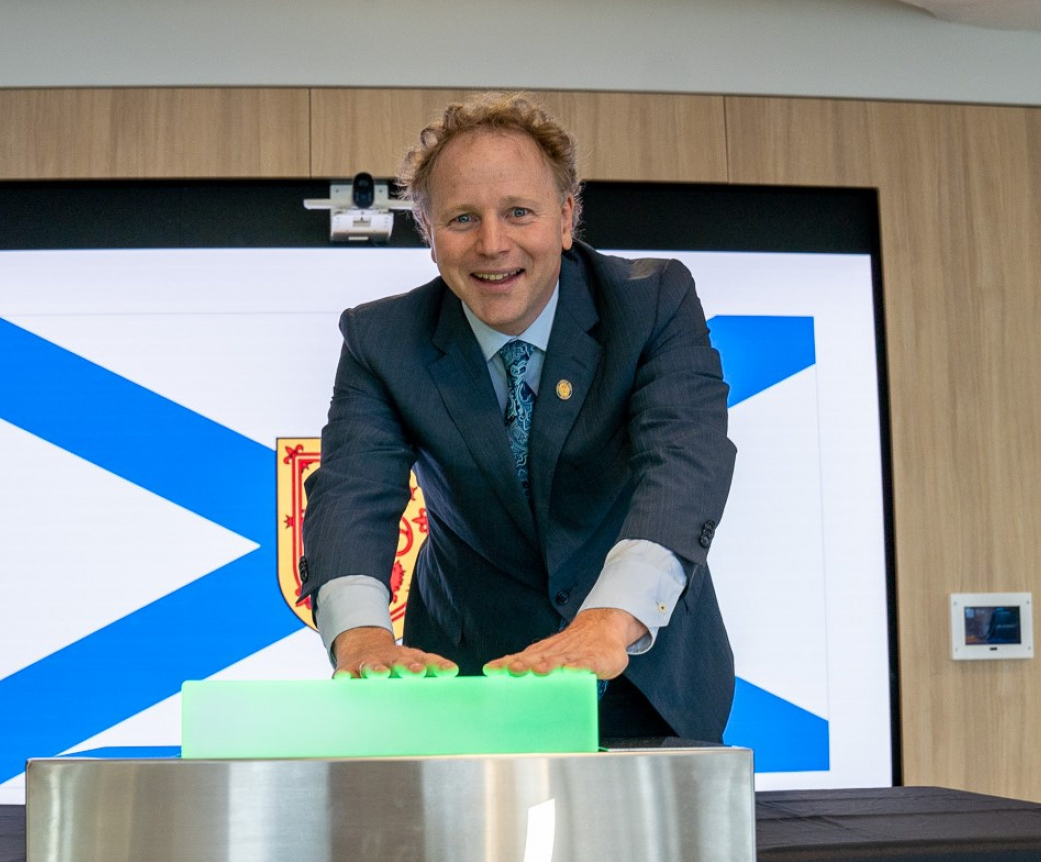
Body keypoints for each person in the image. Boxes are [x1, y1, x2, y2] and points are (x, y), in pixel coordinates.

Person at [299, 93, 737, 743]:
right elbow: (352, 494)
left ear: (566, 218)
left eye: (519, 212)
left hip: (644, 673)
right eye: (462, 218)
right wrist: (361, 638)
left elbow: (682, 462)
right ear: (428, 232)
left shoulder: (654, 302)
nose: (492, 244)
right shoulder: (380, 338)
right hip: (464, 676)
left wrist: (608, 622)